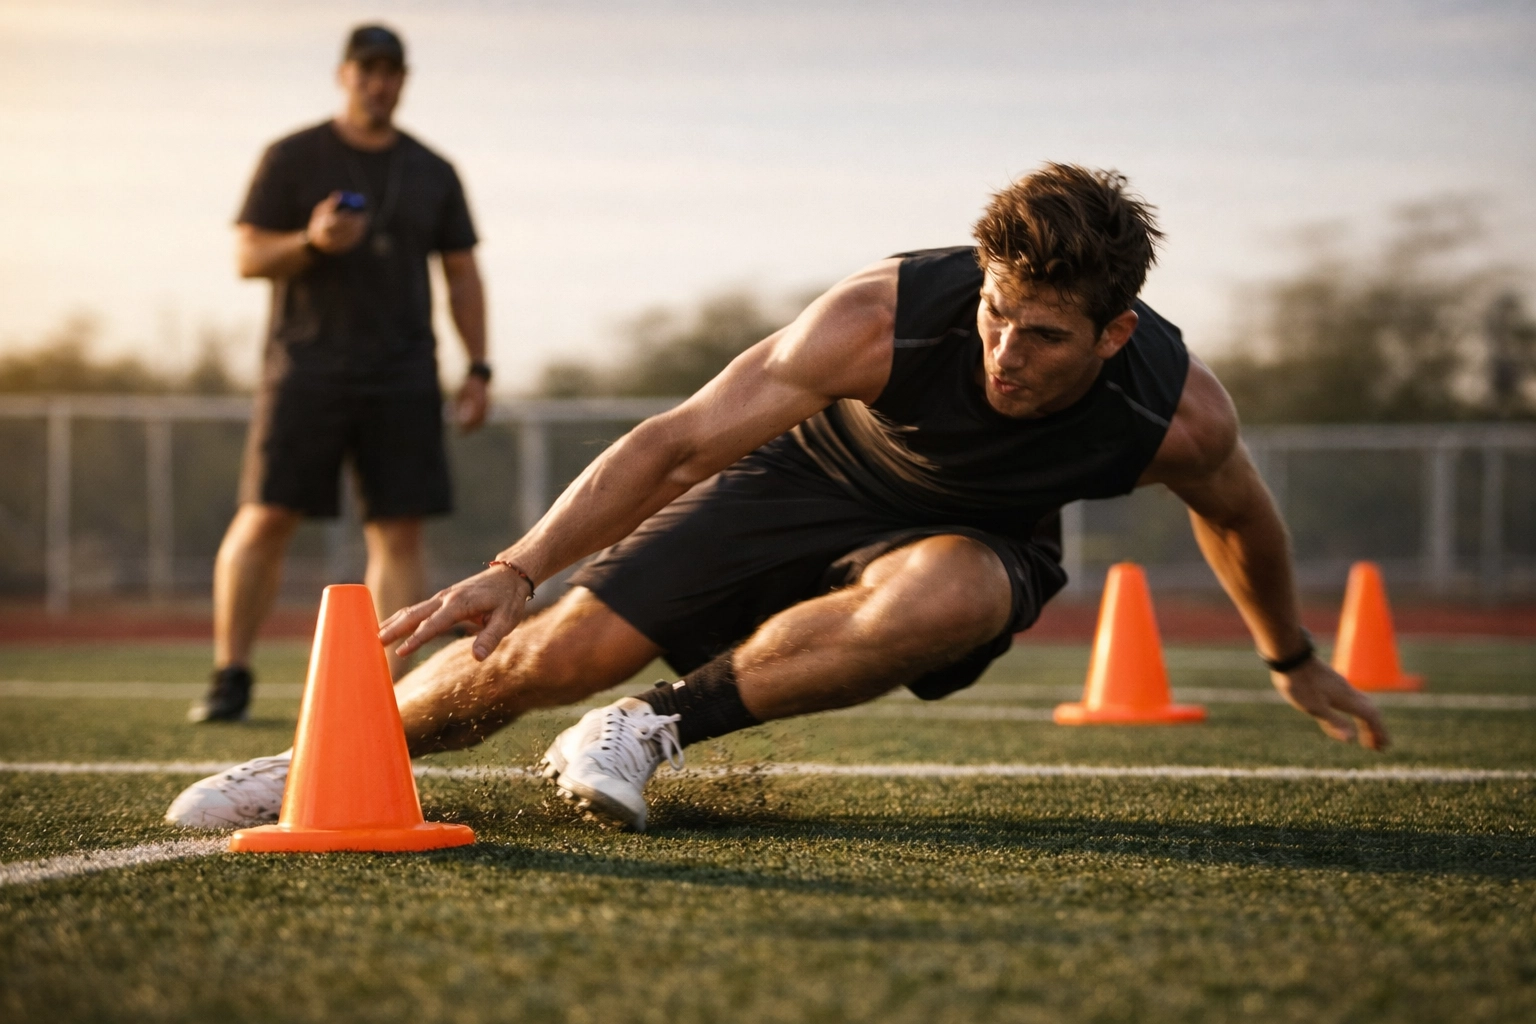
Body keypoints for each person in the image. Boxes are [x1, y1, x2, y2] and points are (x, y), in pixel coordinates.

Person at [167, 164, 1389, 830]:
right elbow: (679, 441)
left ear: (1115, 332)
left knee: (958, 590)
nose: (1006, 353)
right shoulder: (881, 316)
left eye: (1046, 337)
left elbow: (1243, 520)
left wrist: (1291, 658)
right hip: (808, 478)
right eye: (995, 315)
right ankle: (322, 759)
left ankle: (653, 728)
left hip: (971, 537)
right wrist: (519, 566)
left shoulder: (1175, 410)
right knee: (547, 655)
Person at [188, 24, 491, 723]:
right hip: (308, 367)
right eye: (366, 70)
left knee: (398, 530)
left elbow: (462, 274)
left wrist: (478, 368)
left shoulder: (431, 170)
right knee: (266, 516)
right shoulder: (293, 157)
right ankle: (230, 673)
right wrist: (311, 241)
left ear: (403, 80)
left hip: (404, 370)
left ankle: (379, 690)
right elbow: (247, 257)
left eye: (391, 72)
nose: (378, 83)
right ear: (343, 75)